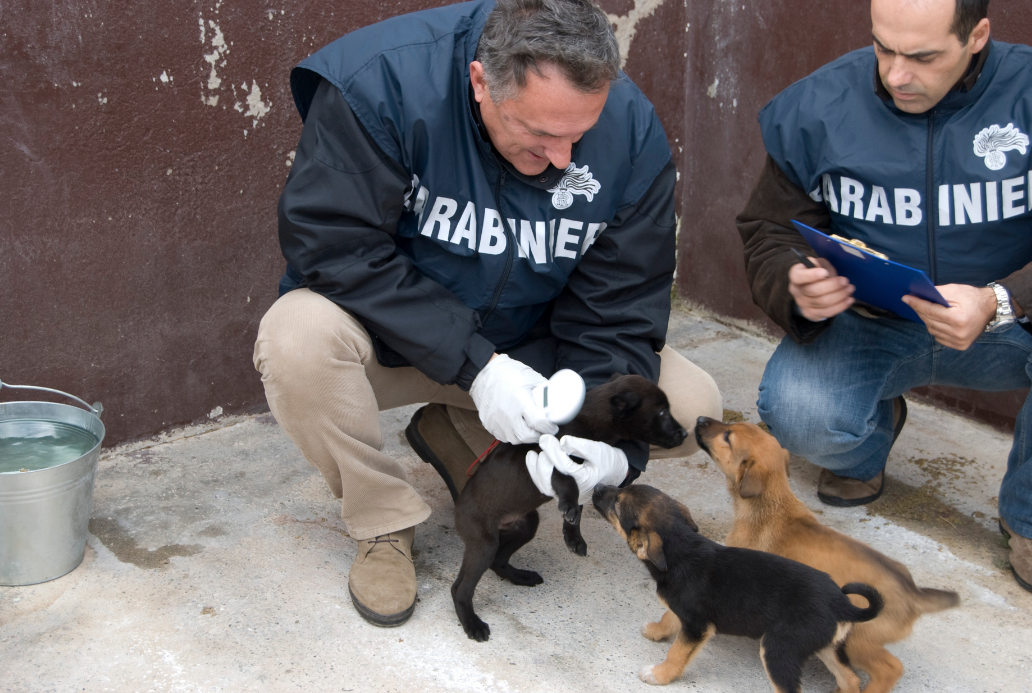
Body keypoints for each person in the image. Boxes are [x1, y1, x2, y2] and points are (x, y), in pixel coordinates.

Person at [254, 0, 722, 627]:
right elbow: (334, 247)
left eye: (577, 136)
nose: (562, 160)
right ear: (481, 82)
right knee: (296, 339)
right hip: (398, 342)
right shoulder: (382, 83)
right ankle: (384, 520)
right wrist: (477, 367)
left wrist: (616, 448)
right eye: (539, 134)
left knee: (690, 408)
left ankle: (463, 442)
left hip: (532, 351)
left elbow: (619, 305)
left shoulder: (629, 130)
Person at [737, 0, 1032, 593]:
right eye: (883, 48)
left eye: (922, 56)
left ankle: (1025, 518)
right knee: (797, 411)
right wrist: (794, 281)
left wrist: (1000, 300)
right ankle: (870, 437)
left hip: (1006, 322)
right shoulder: (821, 105)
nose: (897, 75)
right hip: (871, 323)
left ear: (976, 36)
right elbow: (767, 230)